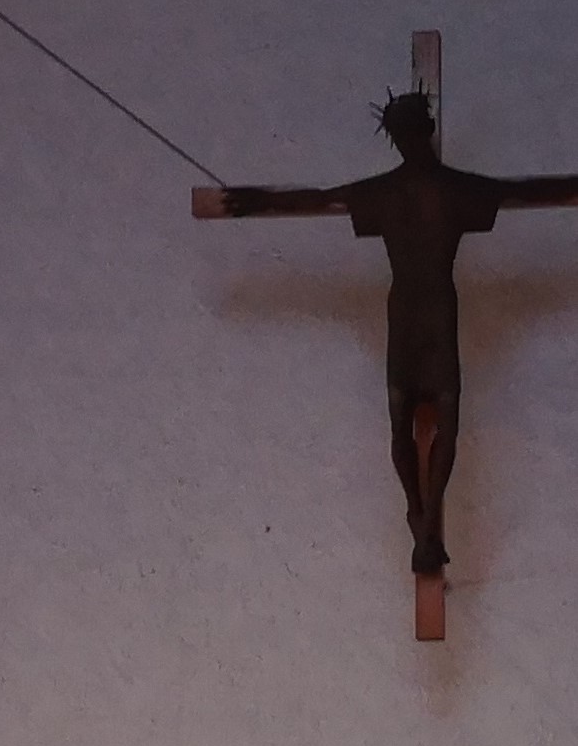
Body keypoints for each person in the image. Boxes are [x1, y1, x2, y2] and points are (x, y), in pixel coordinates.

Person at [217, 92, 578, 576]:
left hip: (407, 308)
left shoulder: (383, 193)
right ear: (426, 128)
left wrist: (261, 203)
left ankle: (419, 521)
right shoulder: (453, 188)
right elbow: (526, 193)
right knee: (442, 416)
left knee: (404, 417)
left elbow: (322, 198)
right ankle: (426, 527)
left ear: (395, 137)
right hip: (434, 308)